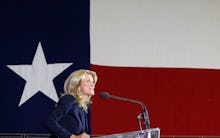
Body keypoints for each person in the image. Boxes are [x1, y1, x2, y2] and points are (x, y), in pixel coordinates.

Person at [46, 69, 98, 138]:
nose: (93, 84)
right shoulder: (69, 99)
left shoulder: (82, 106)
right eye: (88, 81)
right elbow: (50, 122)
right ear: (77, 86)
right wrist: (72, 137)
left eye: (93, 81)